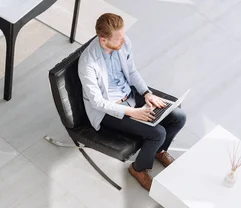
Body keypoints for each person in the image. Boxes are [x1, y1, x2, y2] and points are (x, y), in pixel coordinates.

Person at [78, 13, 187, 191]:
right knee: (157, 133)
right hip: (110, 110)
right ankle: (138, 169)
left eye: (123, 35)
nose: (124, 41)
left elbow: (132, 71)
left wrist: (146, 93)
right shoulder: (88, 63)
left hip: (130, 95)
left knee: (179, 117)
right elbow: (97, 102)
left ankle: (159, 151)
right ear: (103, 40)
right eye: (119, 39)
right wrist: (132, 113)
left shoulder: (123, 42)